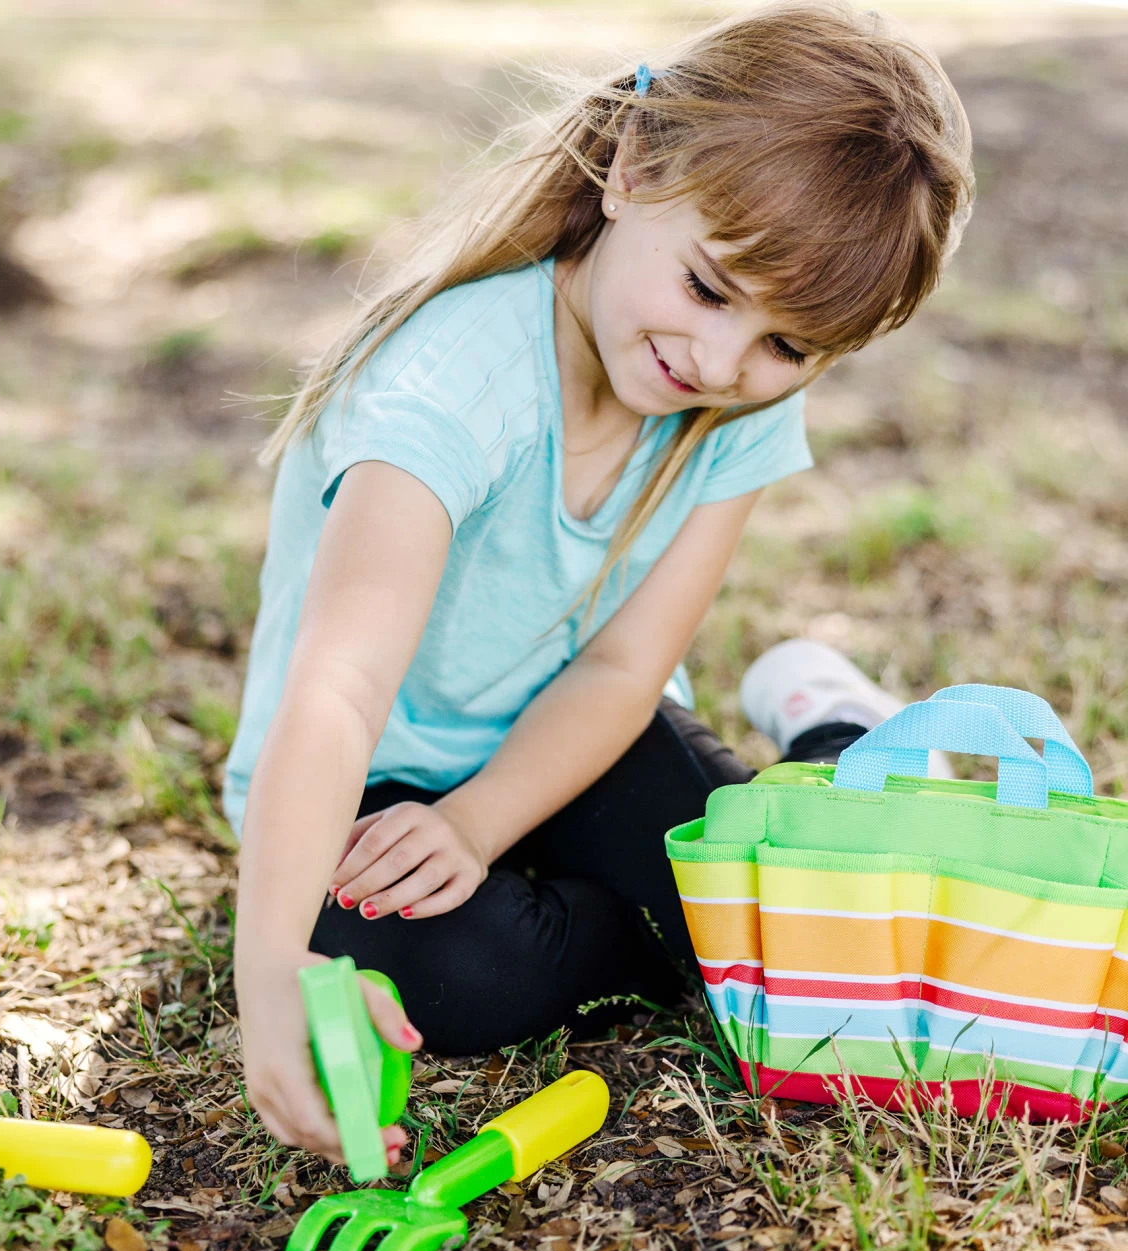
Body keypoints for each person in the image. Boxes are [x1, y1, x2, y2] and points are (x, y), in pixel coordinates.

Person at [225, 1, 974, 1166]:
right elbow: (339, 683)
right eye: (713, 290)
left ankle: (831, 732)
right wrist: (272, 974)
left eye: (788, 349)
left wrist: (480, 824)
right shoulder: (451, 383)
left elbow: (625, 668)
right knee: (455, 977)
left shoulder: (728, 407)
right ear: (632, 167)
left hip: (582, 740)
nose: (723, 366)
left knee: (810, 930)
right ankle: (670, 930)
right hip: (369, 775)